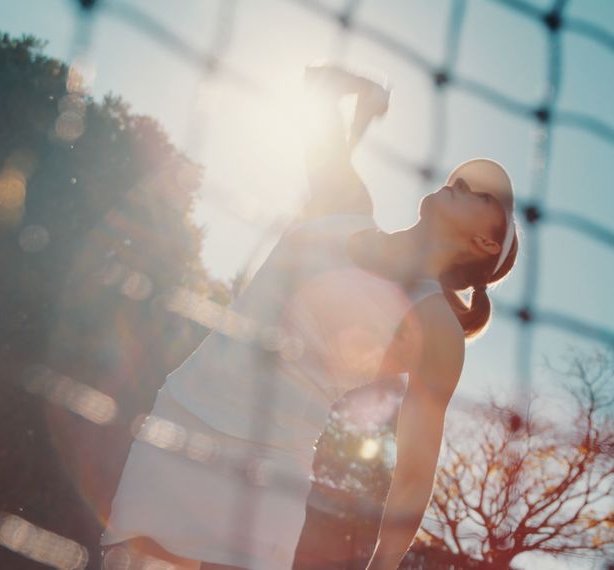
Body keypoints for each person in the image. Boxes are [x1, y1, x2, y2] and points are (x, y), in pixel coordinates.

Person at [99, 62, 519, 570]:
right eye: (463, 177)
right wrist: (350, 88)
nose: (463, 182)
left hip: (260, 483)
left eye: (483, 194)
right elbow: (316, 105)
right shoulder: (345, 202)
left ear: (485, 241)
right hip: (174, 429)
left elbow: (411, 478)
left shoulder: (436, 328)